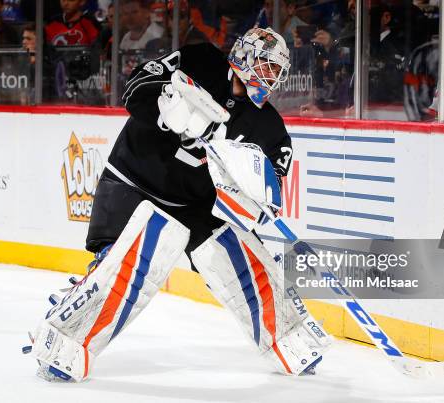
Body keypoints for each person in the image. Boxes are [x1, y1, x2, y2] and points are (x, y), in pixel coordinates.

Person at [25, 27, 332, 382]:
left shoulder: (270, 128)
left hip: (198, 203)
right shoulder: (200, 60)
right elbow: (136, 88)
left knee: (239, 256)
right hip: (135, 179)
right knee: (129, 262)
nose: (271, 77)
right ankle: (63, 341)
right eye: (265, 65)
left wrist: (251, 185)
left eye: (277, 71)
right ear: (244, 55)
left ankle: (289, 338)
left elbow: (269, 195)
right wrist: (164, 110)